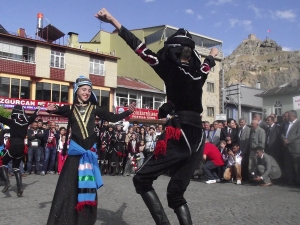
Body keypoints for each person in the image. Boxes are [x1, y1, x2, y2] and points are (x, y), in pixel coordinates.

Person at [96, 8, 219, 224]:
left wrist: (115, 22)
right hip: (198, 135)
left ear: (171, 51)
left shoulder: (168, 68)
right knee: (176, 193)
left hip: (180, 133)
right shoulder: (199, 73)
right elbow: (207, 64)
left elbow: (139, 48)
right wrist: (212, 55)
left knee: (142, 180)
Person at [46, 76, 135, 225]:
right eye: (83, 89)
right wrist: (52, 109)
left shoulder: (95, 109)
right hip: (75, 155)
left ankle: (84, 220)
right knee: (68, 187)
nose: (86, 92)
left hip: (88, 155)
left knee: (87, 189)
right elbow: (58, 109)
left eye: (89, 90)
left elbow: (112, 117)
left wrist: (127, 112)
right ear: (77, 91)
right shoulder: (71, 109)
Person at [0, 105, 41, 197]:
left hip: (13, 145)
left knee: (2, 162)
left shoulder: (11, 122)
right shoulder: (26, 122)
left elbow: (1, 118)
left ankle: (7, 182)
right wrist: (38, 107)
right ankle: (19, 189)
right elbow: (34, 115)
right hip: (21, 146)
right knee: (16, 167)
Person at [282, 110, 300, 185]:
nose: (288, 117)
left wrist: (288, 140)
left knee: (296, 167)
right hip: (286, 148)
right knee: (288, 165)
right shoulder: (286, 124)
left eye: (289, 115)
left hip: (295, 148)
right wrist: (283, 138)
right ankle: (290, 181)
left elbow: (298, 134)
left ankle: (298, 182)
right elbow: (283, 133)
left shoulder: (298, 123)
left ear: (294, 116)